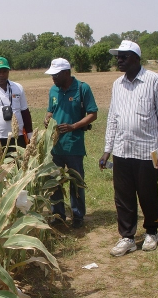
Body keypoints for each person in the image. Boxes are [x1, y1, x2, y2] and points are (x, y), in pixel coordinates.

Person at [99, 40, 158, 256]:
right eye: (117, 56)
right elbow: (112, 118)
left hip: (148, 150)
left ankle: (151, 231)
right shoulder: (117, 84)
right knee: (123, 197)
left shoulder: (154, 81)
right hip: (122, 150)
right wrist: (107, 149)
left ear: (136, 58)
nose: (119, 60)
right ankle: (127, 237)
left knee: (148, 193)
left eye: (123, 56)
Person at [44, 58, 98, 229]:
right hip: (55, 146)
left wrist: (73, 126)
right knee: (55, 181)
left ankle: (78, 215)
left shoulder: (82, 88)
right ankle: (58, 214)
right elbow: (50, 110)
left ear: (66, 73)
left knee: (76, 181)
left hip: (73, 145)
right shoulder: (54, 90)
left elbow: (92, 114)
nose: (53, 78)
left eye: (56, 75)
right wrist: (47, 119)